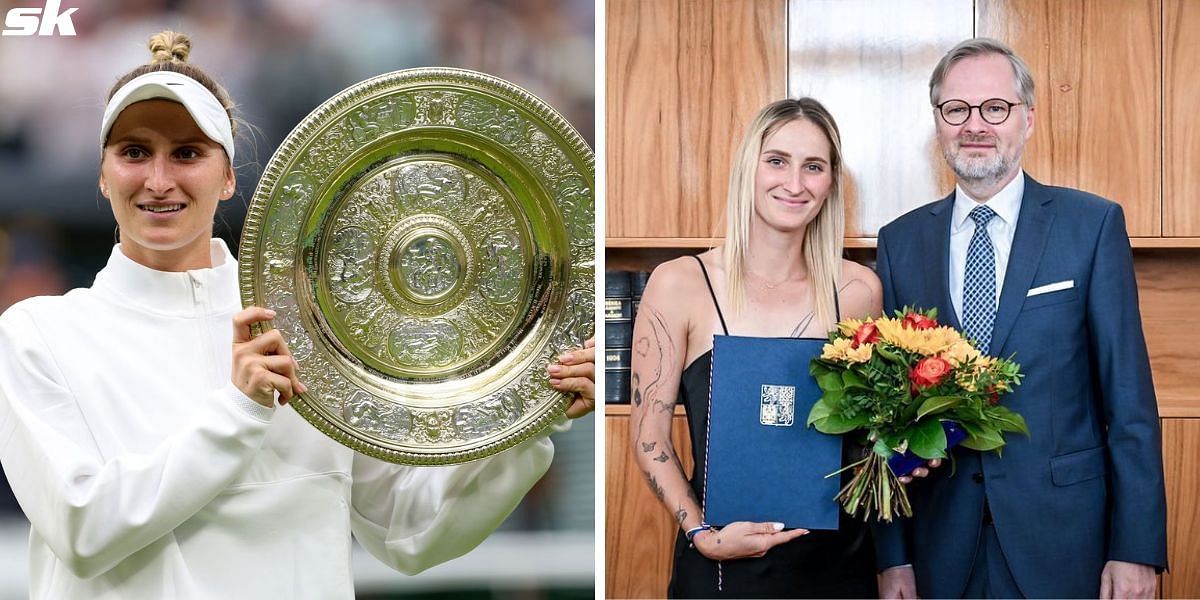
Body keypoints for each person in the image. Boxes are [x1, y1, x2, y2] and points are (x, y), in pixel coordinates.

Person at [0, 31, 595, 599]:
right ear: (103, 175)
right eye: (134, 153)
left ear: (228, 176)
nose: (159, 180)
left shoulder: (310, 326)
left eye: (187, 153)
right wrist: (240, 411)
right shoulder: (35, 336)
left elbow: (408, 533)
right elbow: (82, 529)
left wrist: (528, 417)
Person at [873, 37, 1167, 599]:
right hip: (939, 549)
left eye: (995, 108)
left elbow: (1129, 404)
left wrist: (1135, 548)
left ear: (1027, 118)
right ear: (938, 122)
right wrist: (893, 560)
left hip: (1064, 542)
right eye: (956, 109)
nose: (974, 125)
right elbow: (889, 420)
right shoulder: (900, 243)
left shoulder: (1091, 226)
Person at [630, 97, 883, 598]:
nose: (794, 184)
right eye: (777, 161)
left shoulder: (858, 290)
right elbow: (649, 437)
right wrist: (701, 532)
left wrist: (911, 450)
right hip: (722, 560)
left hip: (836, 564)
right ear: (750, 167)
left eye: (813, 167)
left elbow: (869, 436)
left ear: (831, 182)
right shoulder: (680, 283)